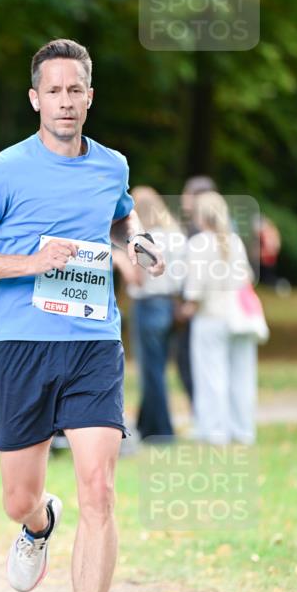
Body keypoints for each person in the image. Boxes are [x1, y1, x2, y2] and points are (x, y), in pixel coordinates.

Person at [0, 39, 164, 592]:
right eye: (53, 91)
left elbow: (121, 218)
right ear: (35, 99)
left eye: (75, 90)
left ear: (89, 96)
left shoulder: (112, 165)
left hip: (93, 342)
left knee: (100, 487)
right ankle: (38, 525)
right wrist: (30, 263)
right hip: (20, 344)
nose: (65, 101)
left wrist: (139, 242)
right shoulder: (4, 170)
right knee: (18, 497)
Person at [180, 191, 258, 445]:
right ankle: (243, 430)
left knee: (211, 376)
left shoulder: (198, 244)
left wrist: (186, 308)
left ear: (201, 216)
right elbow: (247, 278)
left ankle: (214, 431)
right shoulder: (235, 241)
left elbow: (195, 287)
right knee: (242, 375)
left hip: (210, 317)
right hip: (238, 318)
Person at [116, 186, 185, 440]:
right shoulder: (176, 236)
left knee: (150, 371)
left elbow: (139, 278)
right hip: (169, 304)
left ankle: (161, 429)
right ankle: (147, 425)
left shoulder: (146, 240)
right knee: (159, 367)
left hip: (148, 305)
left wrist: (120, 261)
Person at [174, 175, 218, 402]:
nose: (183, 199)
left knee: (194, 363)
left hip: (200, 309)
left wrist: (187, 305)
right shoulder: (195, 228)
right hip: (198, 307)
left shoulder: (200, 233)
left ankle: (201, 410)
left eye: (187, 194)